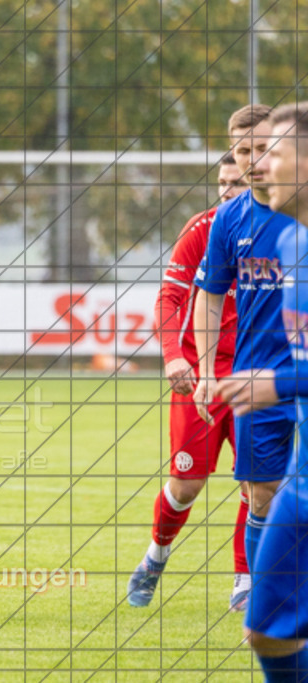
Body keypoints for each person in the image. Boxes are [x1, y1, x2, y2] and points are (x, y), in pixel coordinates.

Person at [126, 153, 251, 609]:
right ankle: (155, 557)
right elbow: (171, 296)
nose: (226, 190)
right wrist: (174, 358)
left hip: (256, 376)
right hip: (204, 374)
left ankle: (245, 579)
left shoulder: (283, 231)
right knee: (187, 484)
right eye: (221, 181)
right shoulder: (205, 228)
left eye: (236, 182)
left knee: (258, 482)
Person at [191, 104, 297, 608]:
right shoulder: (229, 220)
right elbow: (210, 294)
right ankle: (267, 600)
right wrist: (208, 370)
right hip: (256, 380)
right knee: (261, 496)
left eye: (264, 149)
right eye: (243, 150)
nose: (254, 160)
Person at [217, 102, 308, 681]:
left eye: (273, 152)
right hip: (303, 478)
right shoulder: (293, 247)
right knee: (267, 631)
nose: (259, 167)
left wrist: (277, 381)